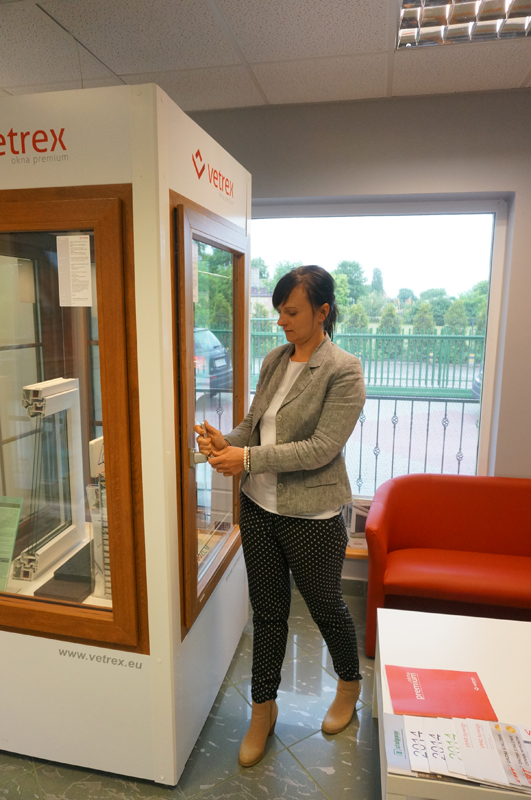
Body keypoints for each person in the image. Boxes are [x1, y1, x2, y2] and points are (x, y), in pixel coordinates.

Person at [194, 265, 366, 768]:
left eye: (291, 312)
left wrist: (245, 458)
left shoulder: (344, 370)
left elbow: (320, 448)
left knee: (325, 606)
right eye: (279, 312)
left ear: (322, 311)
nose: (281, 321)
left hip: (312, 514)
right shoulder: (274, 359)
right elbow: (255, 425)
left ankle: (349, 687)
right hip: (259, 507)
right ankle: (263, 709)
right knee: (267, 612)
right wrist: (227, 442)